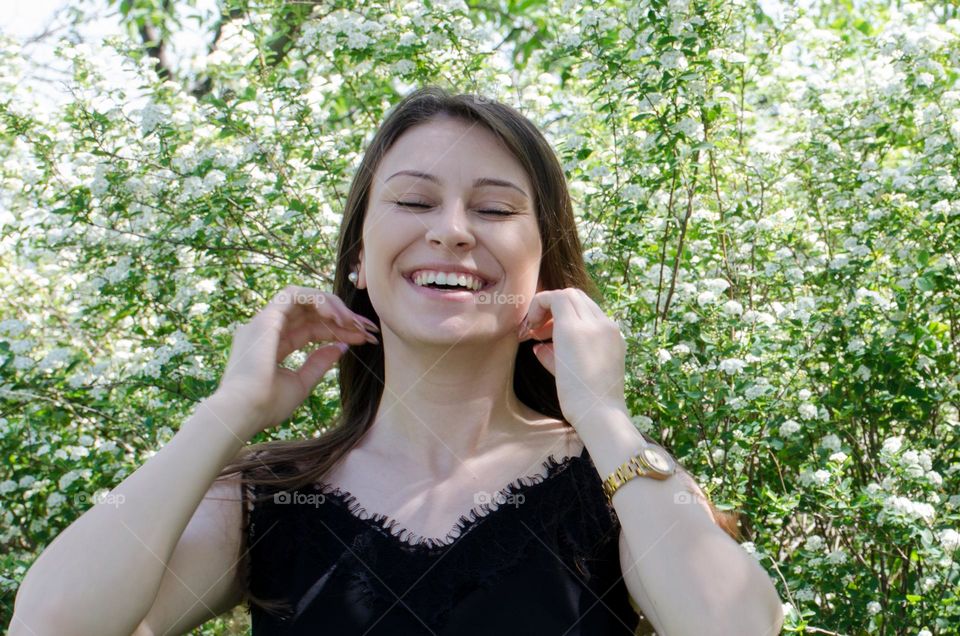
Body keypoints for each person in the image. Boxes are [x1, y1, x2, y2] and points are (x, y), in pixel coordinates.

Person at [9, 86, 784, 636]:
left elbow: (737, 629)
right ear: (357, 259)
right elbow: (51, 624)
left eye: (494, 209)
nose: (451, 231)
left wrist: (605, 416)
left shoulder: (618, 483)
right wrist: (226, 413)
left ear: (543, 264)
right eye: (414, 202)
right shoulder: (272, 499)